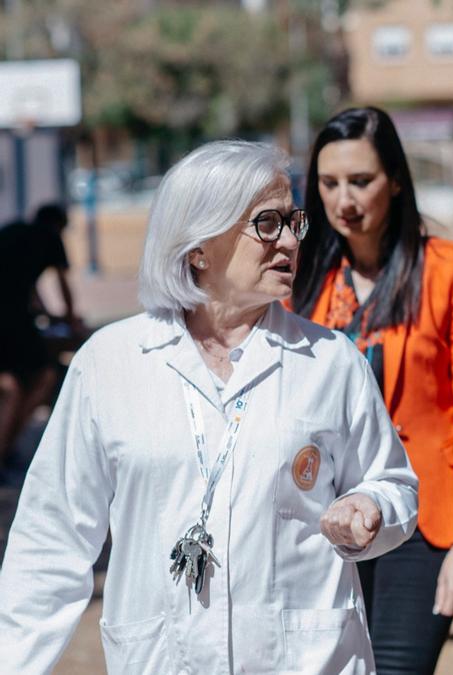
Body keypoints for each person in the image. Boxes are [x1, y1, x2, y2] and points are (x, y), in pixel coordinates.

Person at [0, 140, 419, 673]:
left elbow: (394, 484)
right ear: (198, 247)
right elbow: (50, 537)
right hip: (165, 657)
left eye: (294, 222)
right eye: (268, 224)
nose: (290, 240)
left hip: (306, 659)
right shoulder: (109, 364)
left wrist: (372, 508)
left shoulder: (331, 361)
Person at [291, 106, 453, 674]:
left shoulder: (452, 270)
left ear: (397, 181)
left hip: (421, 521)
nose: (344, 201)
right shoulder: (303, 279)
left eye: (361, 181)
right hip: (325, 520)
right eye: (329, 184)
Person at [0, 203, 83, 473]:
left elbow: (25, 285)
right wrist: (70, 320)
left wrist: (47, 313)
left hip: (12, 315)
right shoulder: (49, 237)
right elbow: (63, 283)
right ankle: (6, 449)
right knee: (43, 376)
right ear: (58, 225)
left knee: (11, 385)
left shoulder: (14, 231)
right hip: (10, 318)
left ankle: (7, 449)